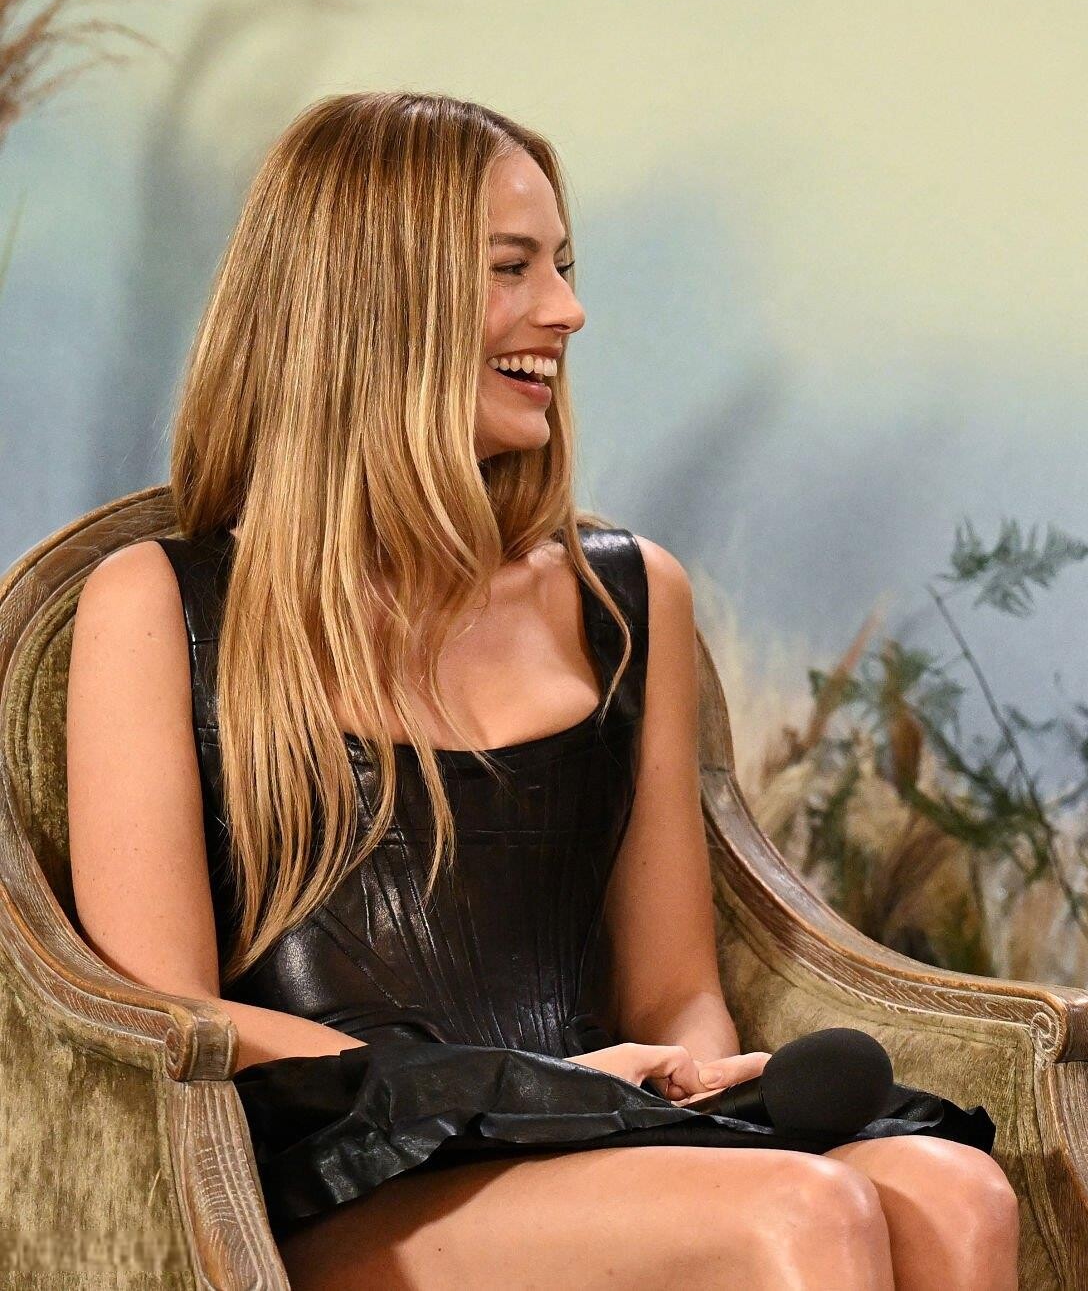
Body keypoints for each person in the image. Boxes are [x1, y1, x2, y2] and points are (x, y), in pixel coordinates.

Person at [66, 92, 1017, 1291]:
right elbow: (161, 1012)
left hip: (601, 1133)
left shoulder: (628, 598)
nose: (566, 311)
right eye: (512, 267)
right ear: (372, 297)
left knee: (957, 1191)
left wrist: (689, 1067)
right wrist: (517, 1088)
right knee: (803, 1210)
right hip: (352, 1172)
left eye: (562, 266)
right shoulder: (157, 603)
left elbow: (675, 988)